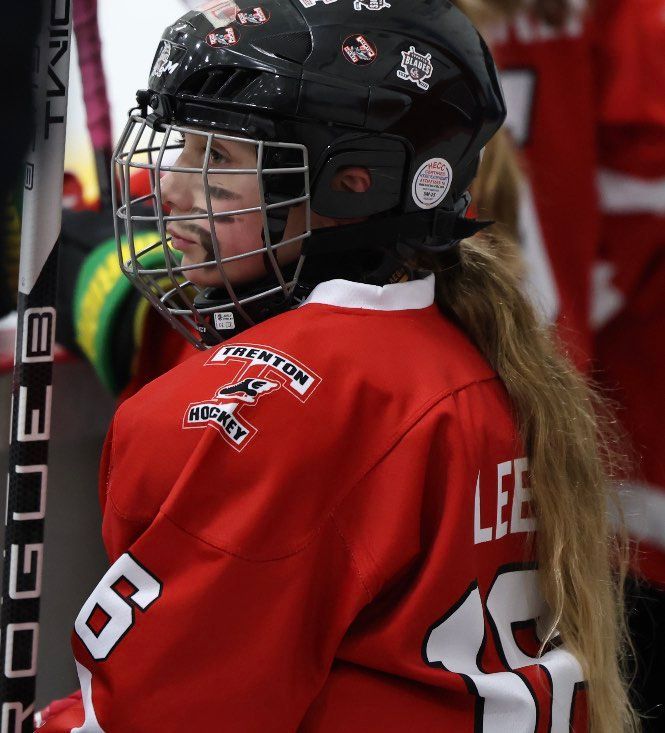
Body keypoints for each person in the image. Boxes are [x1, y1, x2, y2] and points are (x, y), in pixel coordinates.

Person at [38, 1, 636, 731]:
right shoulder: (478, 352)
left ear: (355, 181)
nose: (168, 188)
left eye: (217, 159)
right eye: (180, 145)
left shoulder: (270, 413)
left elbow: (159, 717)